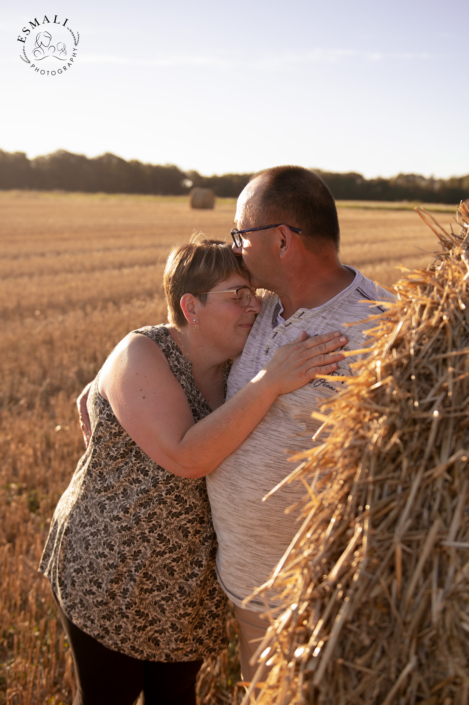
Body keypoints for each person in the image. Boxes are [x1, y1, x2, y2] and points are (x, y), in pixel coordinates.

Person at [41, 238, 347, 705]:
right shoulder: (141, 353)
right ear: (191, 306)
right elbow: (187, 458)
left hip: (186, 584)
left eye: (255, 293)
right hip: (111, 569)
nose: (254, 307)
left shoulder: (235, 367)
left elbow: (326, 277)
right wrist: (272, 382)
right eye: (236, 295)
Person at [204, 166, 395, 683]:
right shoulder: (258, 309)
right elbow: (187, 330)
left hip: (316, 598)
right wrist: (122, 369)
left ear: (282, 239)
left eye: (241, 234)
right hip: (248, 581)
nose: (236, 247)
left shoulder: (381, 328)